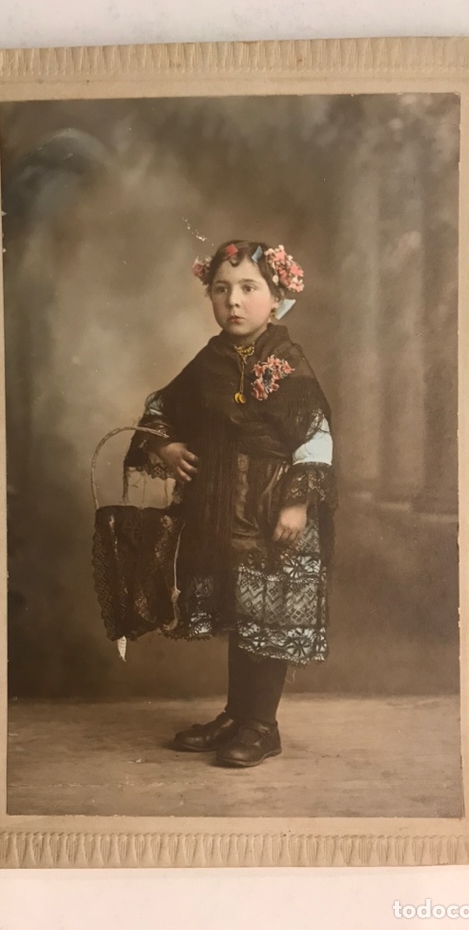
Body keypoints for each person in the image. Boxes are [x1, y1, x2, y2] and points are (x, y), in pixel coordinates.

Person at [123, 239, 337, 768]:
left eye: (248, 289)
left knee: (268, 617)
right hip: (224, 508)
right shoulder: (211, 360)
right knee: (243, 615)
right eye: (222, 290)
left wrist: (297, 504)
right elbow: (161, 406)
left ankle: (263, 726)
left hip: (273, 510)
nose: (234, 302)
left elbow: (316, 434)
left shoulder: (286, 361)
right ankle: (237, 715)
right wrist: (167, 448)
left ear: (276, 297)